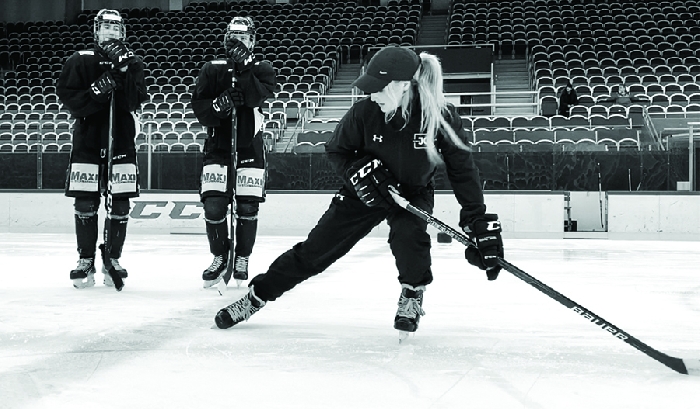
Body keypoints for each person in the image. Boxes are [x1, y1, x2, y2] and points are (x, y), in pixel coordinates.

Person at [213, 46, 505, 337]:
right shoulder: (364, 112)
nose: (372, 95)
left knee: (409, 235)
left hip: (412, 194)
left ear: (402, 86)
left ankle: (412, 294)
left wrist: (475, 219)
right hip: (363, 192)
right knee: (315, 251)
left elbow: (462, 169)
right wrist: (360, 172)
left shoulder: (439, 115)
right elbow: (337, 151)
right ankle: (257, 296)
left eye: (379, 89)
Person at [57, 9, 147, 289]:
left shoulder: (133, 63)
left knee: (119, 202)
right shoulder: (79, 60)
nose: (110, 30)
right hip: (88, 140)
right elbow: (71, 101)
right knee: (85, 201)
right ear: (96, 30)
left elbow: (136, 100)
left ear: (123, 32)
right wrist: (98, 89)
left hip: (121, 139)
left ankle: (113, 257)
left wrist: (122, 71)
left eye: (115, 26)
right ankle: (85, 259)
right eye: (105, 26)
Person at [191, 16, 276, 288]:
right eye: (235, 37)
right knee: (214, 206)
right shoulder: (212, 68)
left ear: (253, 40)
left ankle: (242, 256)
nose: (240, 41)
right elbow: (200, 108)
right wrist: (220, 104)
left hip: (249, 146)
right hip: (218, 147)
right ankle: (219, 256)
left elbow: (254, 98)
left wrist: (245, 70)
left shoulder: (263, 68)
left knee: (247, 205)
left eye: (245, 37)